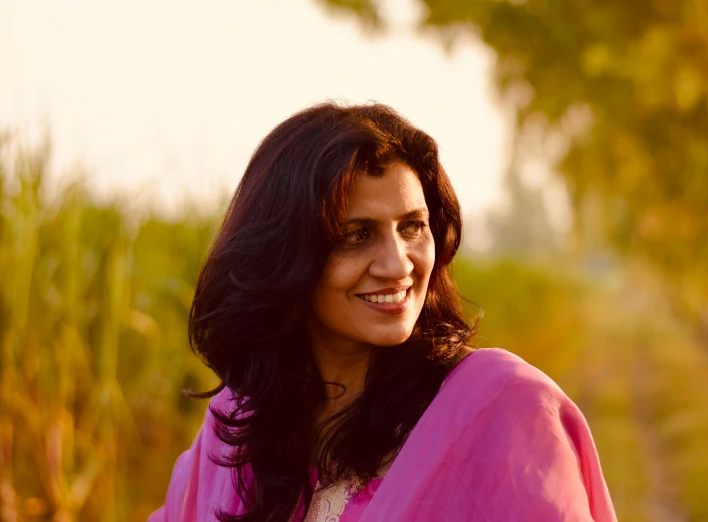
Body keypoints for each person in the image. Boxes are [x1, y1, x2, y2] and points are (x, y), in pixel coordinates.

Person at [149, 102, 617, 522]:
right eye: (356, 235)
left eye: (413, 227)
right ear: (284, 255)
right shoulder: (238, 426)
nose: (398, 265)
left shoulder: (501, 408)